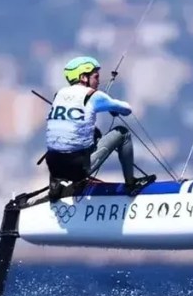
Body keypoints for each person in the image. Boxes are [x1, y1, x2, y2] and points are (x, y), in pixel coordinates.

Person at [44, 56, 155, 200]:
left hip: (53, 166)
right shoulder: (93, 95)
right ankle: (131, 184)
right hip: (78, 169)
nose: (98, 82)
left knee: (70, 136)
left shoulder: (58, 95)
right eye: (96, 77)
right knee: (123, 133)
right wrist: (113, 108)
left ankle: (55, 187)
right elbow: (127, 109)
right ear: (84, 77)